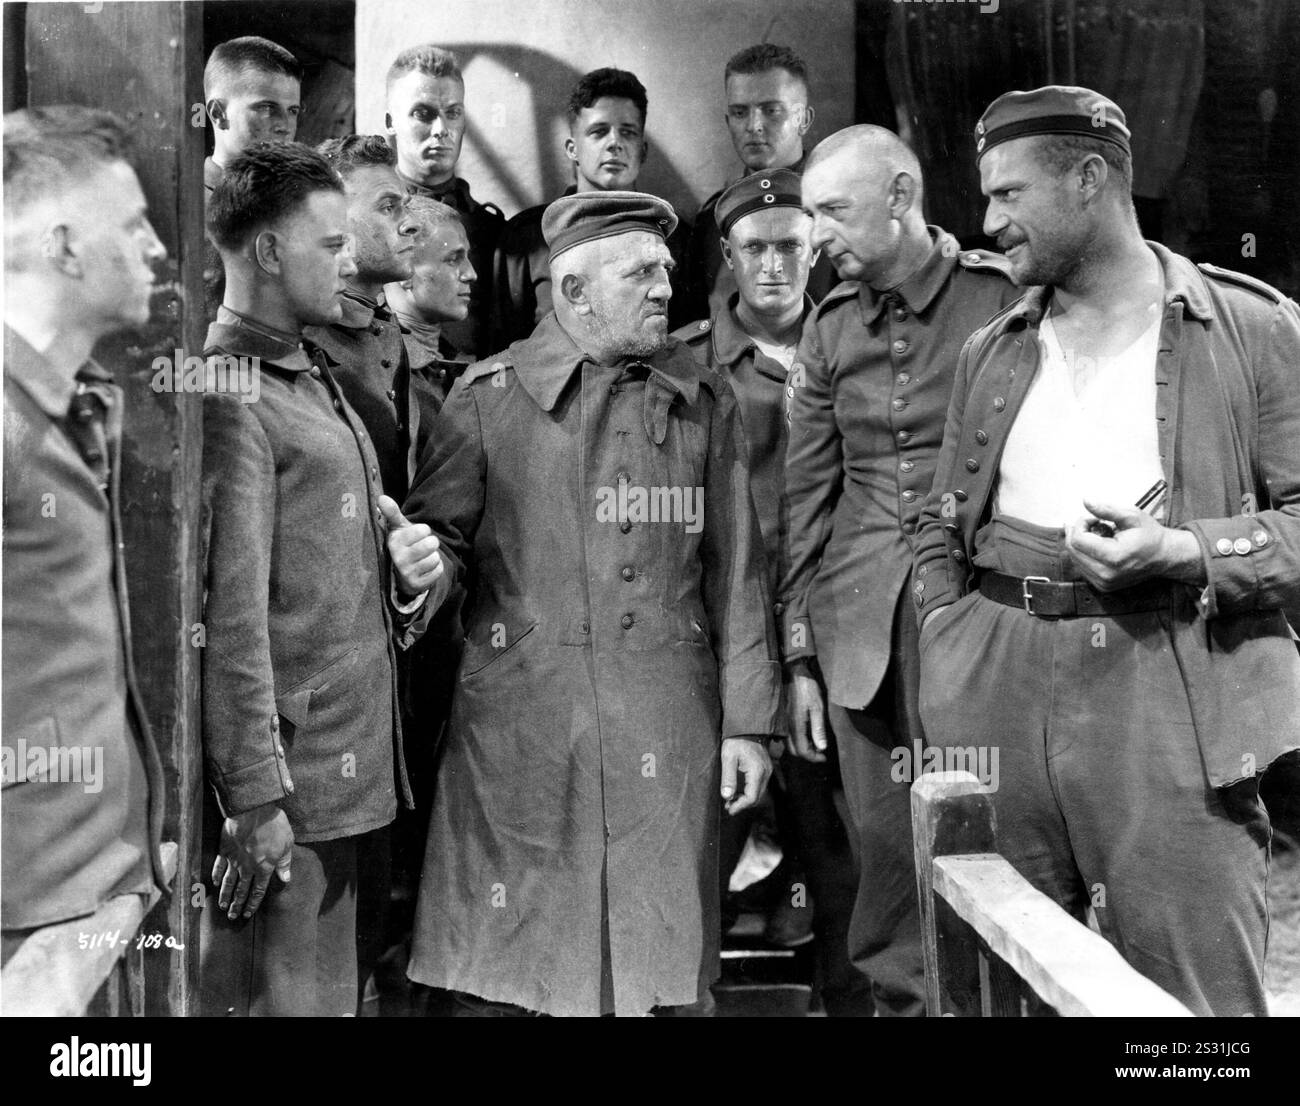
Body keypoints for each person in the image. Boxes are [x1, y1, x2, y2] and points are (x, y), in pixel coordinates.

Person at [913, 86, 1300, 1017]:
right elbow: (937, 519)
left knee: (1192, 998)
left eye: (1008, 195)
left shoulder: (1250, 329)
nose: (988, 220)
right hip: (996, 681)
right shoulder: (991, 349)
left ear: (1090, 180)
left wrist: (1182, 549)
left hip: (1169, 686)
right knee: (996, 973)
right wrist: (947, 633)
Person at [389, 191, 781, 1016]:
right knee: (515, 972)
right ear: (573, 293)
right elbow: (444, 549)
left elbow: (738, 569)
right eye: (641, 273)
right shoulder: (488, 399)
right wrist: (421, 574)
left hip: (666, 725)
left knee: (657, 973)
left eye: (667, 271)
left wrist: (748, 722)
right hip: (523, 729)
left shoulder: (704, 399)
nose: (663, 288)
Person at [780, 125, 1018, 1016]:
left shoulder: (1000, 297)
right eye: (809, 216)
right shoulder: (830, 326)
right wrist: (800, 655)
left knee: (996, 856)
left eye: (833, 212)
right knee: (885, 872)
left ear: (901, 196)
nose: (817, 237)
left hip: (980, 632)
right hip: (859, 644)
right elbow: (803, 502)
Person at [199, 142, 422, 1016]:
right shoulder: (234, 391)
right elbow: (233, 615)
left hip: (352, 777)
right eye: (328, 245)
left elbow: (329, 570)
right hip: (297, 792)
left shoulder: (308, 371)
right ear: (265, 252)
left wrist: (407, 577)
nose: (348, 260)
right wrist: (255, 801)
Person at [674, 169, 873, 1016]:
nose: (774, 265)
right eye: (754, 249)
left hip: (840, 659)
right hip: (724, 664)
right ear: (727, 257)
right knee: (692, 890)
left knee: (853, 891)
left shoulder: (863, 349)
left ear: (816, 249)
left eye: (792, 245)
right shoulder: (685, 365)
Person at [1, 105, 168, 960]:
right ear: (65, 248)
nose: (157, 250)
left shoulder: (76, 402)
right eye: (133, 225)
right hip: (25, 907)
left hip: (88, 892)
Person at [494, 67, 692, 344]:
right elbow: (505, 345)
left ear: (643, 150)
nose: (614, 144)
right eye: (599, 132)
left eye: (628, 132)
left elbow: (685, 340)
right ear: (572, 148)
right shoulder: (526, 238)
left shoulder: (677, 237)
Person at [304, 135, 420, 501]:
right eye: (389, 207)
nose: (411, 223)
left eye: (406, 206)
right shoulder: (306, 344)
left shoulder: (383, 328)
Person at [686, 44, 834, 320]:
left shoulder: (837, 210)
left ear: (804, 120)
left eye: (771, 110)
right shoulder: (711, 219)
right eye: (741, 112)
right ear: (728, 121)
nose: (754, 125)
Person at [386, 44, 504, 359]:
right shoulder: (365, 219)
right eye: (422, 114)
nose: (441, 131)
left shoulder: (490, 230)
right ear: (391, 122)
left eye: (452, 113)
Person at [200, 36, 302, 317]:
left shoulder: (300, 202)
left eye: (292, 111)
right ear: (218, 114)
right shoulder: (186, 208)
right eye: (266, 108)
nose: (284, 126)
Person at [385, 195, 474, 424]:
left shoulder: (459, 362)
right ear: (406, 270)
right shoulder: (385, 370)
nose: (471, 274)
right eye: (453, 260)